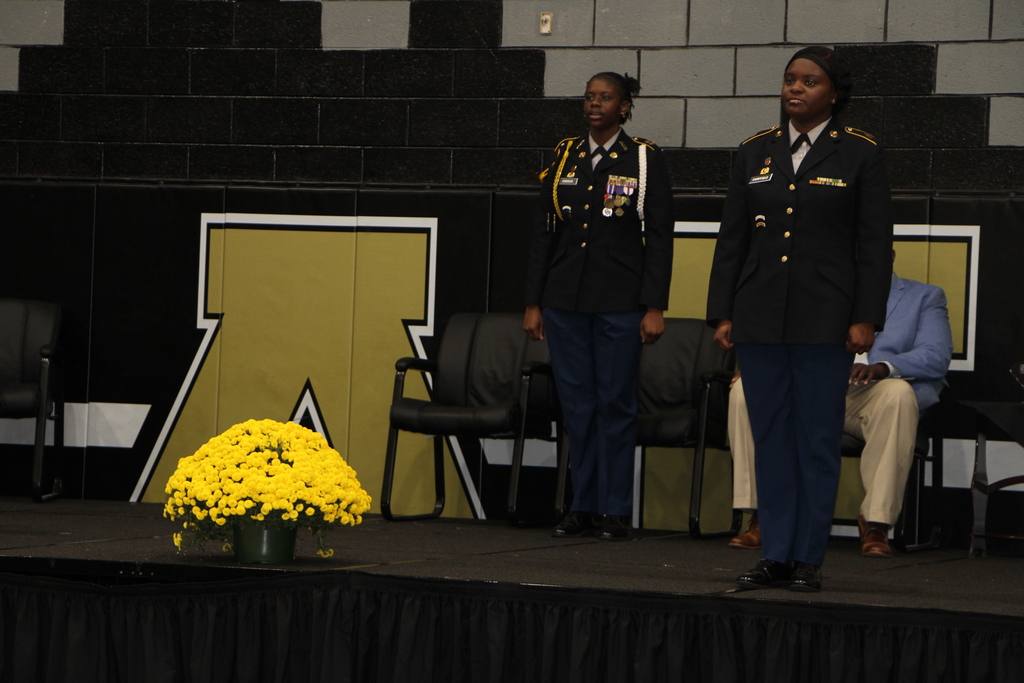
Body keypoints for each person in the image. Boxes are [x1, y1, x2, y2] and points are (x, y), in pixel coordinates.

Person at [705, 46, 893, 591]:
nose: (795, 89)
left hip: (825, 320)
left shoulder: (859, 154)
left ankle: (807, 556)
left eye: (809, 81)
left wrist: (866, 317)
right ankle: (777, 552)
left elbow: (874, 246)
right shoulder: (754, 152)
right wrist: (724, 312)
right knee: (771, 437)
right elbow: (732, 242)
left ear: (833, 93)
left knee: (813, 438)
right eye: (790, 80)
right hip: (760, 316)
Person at [523, 71, 674, 541]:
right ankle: (582, 504)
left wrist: (653, 306)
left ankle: (615, 509)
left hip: (620, 303)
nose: (595, 104)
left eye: (606, 98)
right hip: (565, 302)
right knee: (577, 405)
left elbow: (661, 239)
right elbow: (545, 235)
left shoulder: (644, 158)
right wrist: (534, 301)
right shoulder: (565, 154)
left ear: (625, 107)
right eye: (589, 97)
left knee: (614, 403)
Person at [728, 265, 953, 557]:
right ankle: (762, 516)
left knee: (898, 394)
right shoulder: (810, 290)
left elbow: (936, 355)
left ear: (887, 255)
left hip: (870, 393)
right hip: (810, 387)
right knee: (745, 392)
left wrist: (883, 367)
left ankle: (876, 523)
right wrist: (759, 372)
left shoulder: (924, 296)